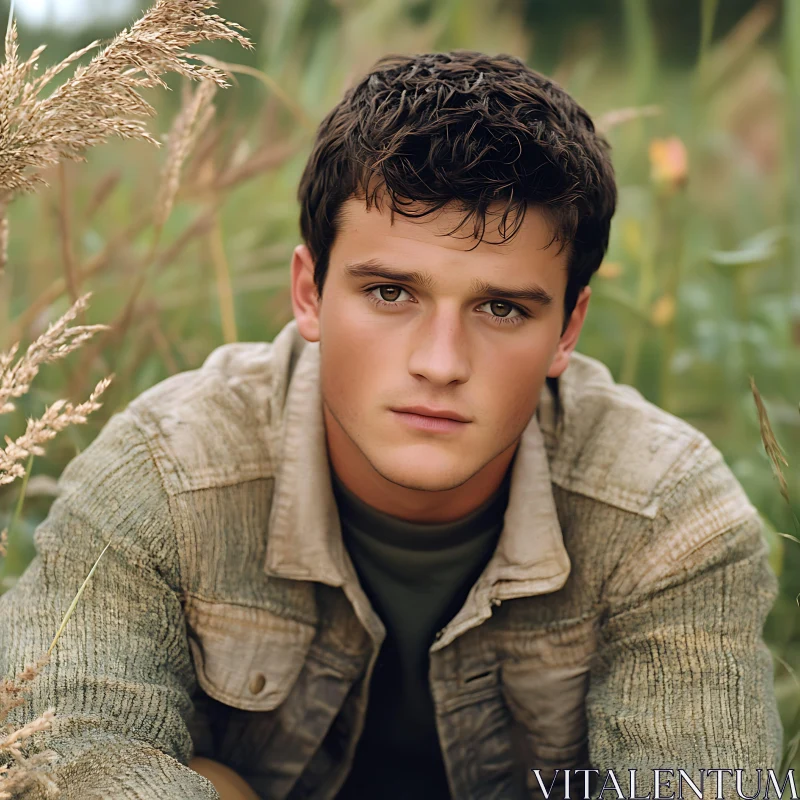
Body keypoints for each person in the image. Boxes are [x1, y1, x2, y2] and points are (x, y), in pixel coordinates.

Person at [0, 50, 783, 800]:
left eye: (501, 308)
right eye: (390, 293)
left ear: (568, 330)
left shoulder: (668, 517)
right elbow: (72, 756)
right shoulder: (162, 475)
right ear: (309, 292)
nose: (440, 363)